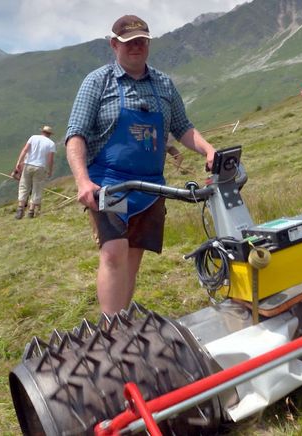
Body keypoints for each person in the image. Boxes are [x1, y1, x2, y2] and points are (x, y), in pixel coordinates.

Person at [65, 14, 216, 315]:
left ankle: (122, 321)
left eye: (141, 41)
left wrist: (209, 150)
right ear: (114, 45)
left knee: (132, 258)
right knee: (114, 252)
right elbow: (75, 134)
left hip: (150, 186)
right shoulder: (98, 81)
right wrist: (83, 181)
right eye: (128, 42)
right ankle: (109, 332)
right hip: (109, 182)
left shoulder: (163, 84)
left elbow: (183, 127)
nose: (136, 46)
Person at [13, 125, 56, 219]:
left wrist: (18, 162)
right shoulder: (51, 143)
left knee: (24, 185)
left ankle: (20, 208)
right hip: (41, 167)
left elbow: (25, 150)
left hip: (28, 164)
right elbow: (50, 160)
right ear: (49, 134)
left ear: (42, 132)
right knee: (37, 188)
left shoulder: (33, 138)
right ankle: (31, 211)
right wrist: (50, 170)